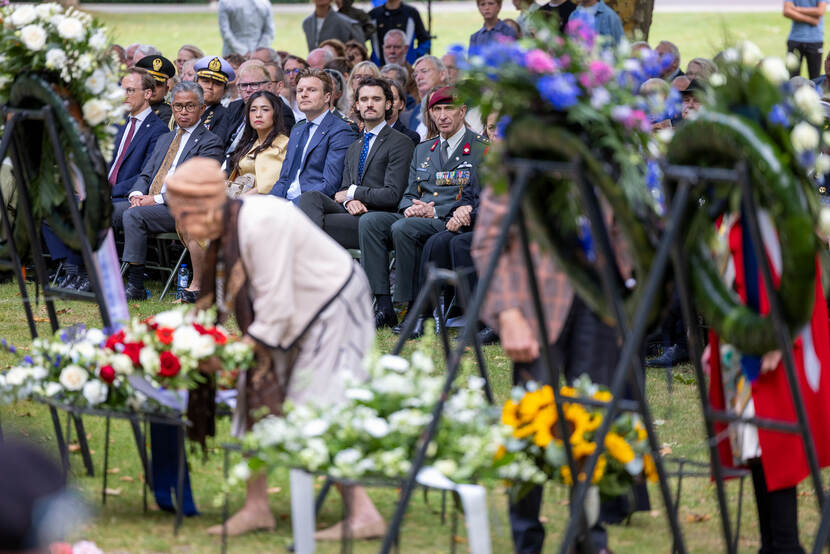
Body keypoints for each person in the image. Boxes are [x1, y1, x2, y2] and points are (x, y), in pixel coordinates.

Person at [165, 158, 385, 540]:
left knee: (317, 405)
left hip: (333, 305)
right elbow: (220, 302)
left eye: (184, 211)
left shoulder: (260, 221)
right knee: (254, 396)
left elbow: (277, 310)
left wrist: (233, 358)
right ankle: (256, 507)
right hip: (288, 310)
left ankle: (364, 514)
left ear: (206, 204)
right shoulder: (225, 230)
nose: (181, 222)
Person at [359, 87, 488, 328]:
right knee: (371, 222)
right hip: (418, 216)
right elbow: (409, 193)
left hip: (450, 220)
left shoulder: (480, 148)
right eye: (436, 110)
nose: (442, 116)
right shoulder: (422, 150)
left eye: (448, 109)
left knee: (405, 229)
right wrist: (409, 207)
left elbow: (473, 197)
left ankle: (415, 311)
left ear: (462, 112)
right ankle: (384, 306)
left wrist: (434, 211)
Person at [114, 81, 224, 301]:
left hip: (177, 207)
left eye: (190, 106)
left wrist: (154, 199)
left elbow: (197, 186)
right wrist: (136, 194)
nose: (183, 112)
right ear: (171, 107)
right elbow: (146, 174)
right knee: (104, 210)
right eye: (178, 106)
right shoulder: (166, 138)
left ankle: (135, 284)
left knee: (134, 215)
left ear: (202, 109)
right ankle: (87, 272)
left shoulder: (211, 142)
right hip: (148, 201)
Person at [299, 77, 414, 249]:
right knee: (310, 197)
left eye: (376, 99)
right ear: (357, 105)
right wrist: (349, 201)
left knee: (309, 224)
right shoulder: (355, 146)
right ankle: (313, 256)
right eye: (364, 99)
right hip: (351, 213)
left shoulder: (401, 142)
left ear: (388, 105)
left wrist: (354, 193)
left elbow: (392, 195)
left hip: (377, 217)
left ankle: (310, 258)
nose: (369, 104)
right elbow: (342, 191)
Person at [270, 69, 356, 202]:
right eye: (300, 91)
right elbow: (284, 179)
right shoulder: (297, 128)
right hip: (285, 202)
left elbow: (329, 185)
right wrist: (271, 201)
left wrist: (291, 206)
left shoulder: (340, 131)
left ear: (327, 97)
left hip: (310, 204)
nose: (304, 95)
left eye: (311, 90)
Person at [110, 68, 170, 204]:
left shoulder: (159, 130)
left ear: (147, 93)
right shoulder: (119, 123)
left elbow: (145, 175)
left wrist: (109, 191)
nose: (124, 96)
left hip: (124, 198)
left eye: (130, 90)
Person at [226, 60, 295, 156]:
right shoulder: (234, 106)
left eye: (254, 85)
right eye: (244, 85)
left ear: (269, 86)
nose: (248, 90)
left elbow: (278, 151)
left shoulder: (282, 111)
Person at [228, 91, 290, 194]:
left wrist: (240, 201)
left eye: (265, 110)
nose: (258, 115)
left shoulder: (284, 144)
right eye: (253, 110)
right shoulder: (250, 143)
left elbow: (268, 185)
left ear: (276, 113)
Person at [369, 0, 430, 66]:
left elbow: (425, 40)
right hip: (379, 67)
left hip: (405, 69)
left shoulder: (411, 13)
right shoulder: (374, 14)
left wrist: (414, 56)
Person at [194, 56, 236, 143]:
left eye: (217, 84)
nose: (210, 87)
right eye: (205, 81)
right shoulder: (184, 108)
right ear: (195, 83)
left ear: (224, 91)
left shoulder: (225, 116)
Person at [784, 0, 827, 79]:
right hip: (795, 39)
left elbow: (820, 11)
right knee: (791, 79)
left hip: (815, 40)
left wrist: (797, 9)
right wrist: (811, 20)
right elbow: (787, 11)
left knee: (815, 79)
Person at [408, 55, 448, 136]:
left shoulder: (458, 103)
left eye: (424, 71)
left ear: (442, 74)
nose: (418, 77)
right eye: (415, 75)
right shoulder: (417, 110)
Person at [135, 55, 176, 126]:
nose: (152, 88)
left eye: (158, 84)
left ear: (166, 90)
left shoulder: (168, 114)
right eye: (148, 82)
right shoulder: (131, 106)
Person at [387, 78, 420, 145]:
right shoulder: (365, 134)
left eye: (393, 99)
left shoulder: (410, 138)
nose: (389, 103)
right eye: (385, 98)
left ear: (401, 104)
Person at [282, 55, 310, 121]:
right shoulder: (282, 101)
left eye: (296, 71)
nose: (291, 76)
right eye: (287, 72)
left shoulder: (314, 100)